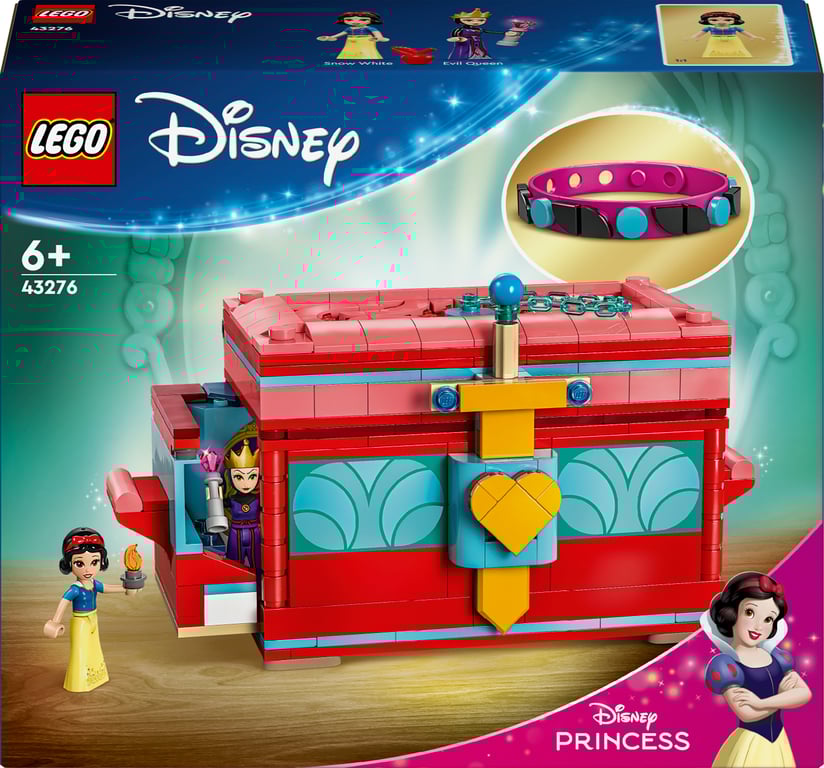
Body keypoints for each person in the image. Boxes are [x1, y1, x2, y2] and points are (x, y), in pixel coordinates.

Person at [702, 572, 812, 767]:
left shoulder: (778, 657)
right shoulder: (726, 664)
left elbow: (805, 694)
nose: (758, 626)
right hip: (750, 744)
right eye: (750, 613)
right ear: (731, 613)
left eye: (768, 619)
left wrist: (761, 703)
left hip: (779, 742)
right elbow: (746, 713)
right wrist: (786, 698)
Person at [44, 528, 139, 692]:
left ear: (102, 562)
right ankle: (78, 683)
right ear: (69, 564)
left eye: (94, 562)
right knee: (80, 651)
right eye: (80, 563)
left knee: (94, 649)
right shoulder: (75, 589)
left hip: (93, 618)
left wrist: (127, 588)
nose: (88, 570)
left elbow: (107, 588)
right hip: (80, 622)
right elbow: (63, 602)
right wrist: (55, 622)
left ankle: (95, 678)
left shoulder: (94, 584)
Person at [223, 423, 262, 574]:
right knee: (234, 565)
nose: (246, 483)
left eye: (251, 476)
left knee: (257, 564)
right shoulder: (231, 498)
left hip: (254, 532)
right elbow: (215, 503)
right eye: (239, 477)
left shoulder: (258, 499)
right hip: (236, 533)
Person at [688, 11, 765, 58]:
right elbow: (700, 33)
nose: (721, 22)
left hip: (733, 40)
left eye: (728, 20)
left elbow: (744, 32)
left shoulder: (735, 28)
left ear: (734, 21)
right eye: (714, 20)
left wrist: (752, 36)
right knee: (713, 51)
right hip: (715, 40)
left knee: (738, 50)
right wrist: (695, 37)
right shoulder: (709, 28)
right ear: (708, 21)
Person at [317, 11, 390, 60]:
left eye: (363, 20)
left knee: (366, 52)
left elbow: (377, 34)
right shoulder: (349, 29)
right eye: (349, 20)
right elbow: (341, 34)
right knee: (348, 52)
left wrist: (379, 38)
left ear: (371, 20)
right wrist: (330, 37)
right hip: (350, 42)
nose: (355, 22)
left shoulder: (369, 28)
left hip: (365, 41)